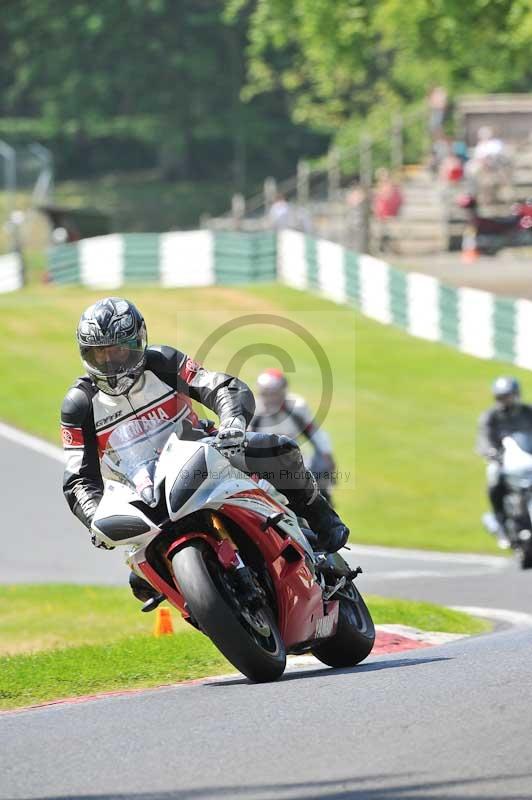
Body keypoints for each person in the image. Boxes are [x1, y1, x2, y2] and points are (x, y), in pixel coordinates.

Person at [61, 298, 349, 603]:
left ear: (138, 341)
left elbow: (219, 386)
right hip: (143, 492)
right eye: (100, 353)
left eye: (118, 350)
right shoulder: (79, 405)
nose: (111, 362)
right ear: (86, 354)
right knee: (141, 581)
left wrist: (232, 422)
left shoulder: (162, 361)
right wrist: (94, 516)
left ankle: (321, 516)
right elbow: (78, 477)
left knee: (277, 450)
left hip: (203, 454)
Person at [249, 368, 337, 503]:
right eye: (266, 394)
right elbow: (245, 442)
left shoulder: (297, 407)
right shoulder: (254, 411)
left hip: (296, 461)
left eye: (274, 394)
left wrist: (326, 455)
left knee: (319, 494)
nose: (270, 399)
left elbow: (314, 432)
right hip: (264, 468)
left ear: (283, 392)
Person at [477, 376, 532, 547]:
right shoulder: (491, 417)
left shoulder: (527, 412)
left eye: (509, 395)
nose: (506, 400)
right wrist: (491, 453)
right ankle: (500, 523)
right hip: (503, 462)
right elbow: (483, 440)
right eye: (502, 397)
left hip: (527, 459)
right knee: (494, 481)